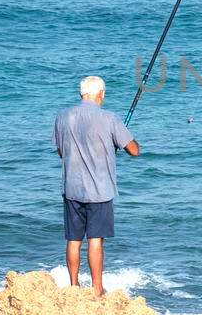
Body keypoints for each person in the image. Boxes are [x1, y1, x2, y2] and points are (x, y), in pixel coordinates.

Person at [53, 75, 140, 295]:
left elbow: (61, 152)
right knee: (95, 240)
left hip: (72, 188)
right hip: (100, 190)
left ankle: (73, 286)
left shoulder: (63, 117)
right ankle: (97, 289)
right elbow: (134, 150)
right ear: (101, 94)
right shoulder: (109, 118)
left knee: (73, 240)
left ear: (81, 94)